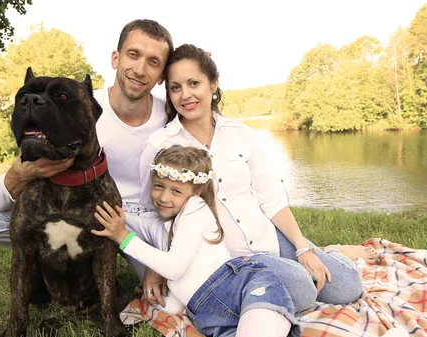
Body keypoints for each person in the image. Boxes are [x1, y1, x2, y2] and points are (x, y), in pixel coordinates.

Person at [92, 145, 427, 337]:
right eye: (159, 186)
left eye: (175, 190)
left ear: (196, 191)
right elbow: (178, 284)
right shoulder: (172, 221)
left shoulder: (195, 209)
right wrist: (151, 305)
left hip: (245, 286)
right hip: (220, 321)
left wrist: (124, 239)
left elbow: (175, 264)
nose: (164, 197)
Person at [138, 44, 377, 312]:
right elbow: (150, 212)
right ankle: (301, 267)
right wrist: (157, 263)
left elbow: (271, 196)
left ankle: (331, 251)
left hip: (267, 236)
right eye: (175, 87)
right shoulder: (160, 144)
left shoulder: (241, 134)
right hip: (227, 258)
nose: (186, 95)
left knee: (347, 286)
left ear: (213, 84)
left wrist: (302, 248)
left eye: (194, 83)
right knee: (301, 291)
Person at [0, 19, 173, 282]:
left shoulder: (171, 114)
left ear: (163, 74)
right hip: (78, 211)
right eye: (133, 54)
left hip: (138, 223)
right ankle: (56, 249)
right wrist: (17, 175)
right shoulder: (77, 103)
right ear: (115, 58)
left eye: (153, 62)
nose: (140, 69)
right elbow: (26, 162)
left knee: (173, 289)